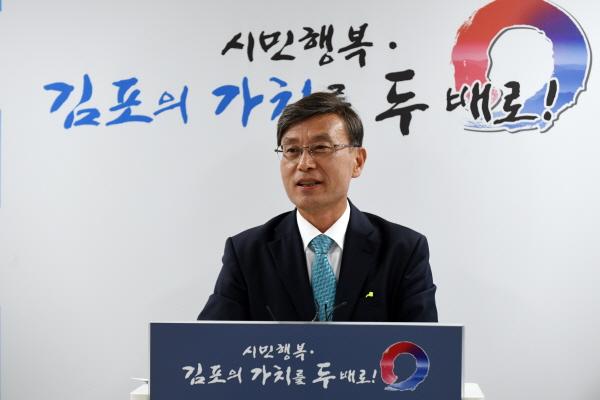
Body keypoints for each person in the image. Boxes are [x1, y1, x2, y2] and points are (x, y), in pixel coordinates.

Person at [198, 92, 437, 322]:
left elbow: (424, 346)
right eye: (292, 150)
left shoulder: (402, 251)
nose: (304, 164)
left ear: (358, 161)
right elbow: (208, 343)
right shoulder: (247, 253)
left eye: (321, 148)